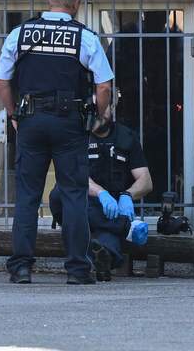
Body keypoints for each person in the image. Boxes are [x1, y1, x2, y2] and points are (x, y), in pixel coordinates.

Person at [0, 0, 113, 285]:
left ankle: (21, 267)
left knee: (28, 195)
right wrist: (99, 116)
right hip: (69, 123)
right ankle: (77, 269)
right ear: (76, 4)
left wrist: (13, 113)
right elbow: (103, 85)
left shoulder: (20, 33)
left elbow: (2, 79)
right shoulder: (84, 37)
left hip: (31, 119)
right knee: (74, 195)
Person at [50, 101, 153, 282]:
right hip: (81, 204)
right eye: (91, 107)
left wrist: (127, 195)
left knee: (105, 242)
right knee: (59, 193)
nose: (96, 112)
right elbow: (74, 176)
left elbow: (145, 180)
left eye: (102, 106)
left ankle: (102, 260)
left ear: (112, 108)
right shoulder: (76, 135)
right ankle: (125, 227)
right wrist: (100, 193)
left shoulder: (126, 137)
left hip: (111, 209)